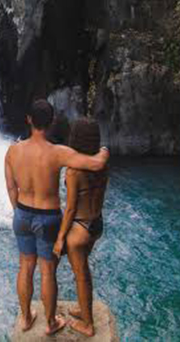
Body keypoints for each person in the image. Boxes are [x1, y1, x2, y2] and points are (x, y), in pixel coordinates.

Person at [4, 100, 110, 335]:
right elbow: (95, 163)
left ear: (29, 119)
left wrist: (18, 211)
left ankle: (26, 318)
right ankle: (51, 322)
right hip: (48, 216)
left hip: (21, 212)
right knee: (47, 271)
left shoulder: (13, 150)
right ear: (51, 123)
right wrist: (104, 150)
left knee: (25, 266)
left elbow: (11, 187)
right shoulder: (58, 153)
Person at [53, 117, 109, 337]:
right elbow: (104, 151)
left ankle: (87, 324)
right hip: (96, 223)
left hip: (79, 226)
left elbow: (70, 209)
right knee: (83, 272)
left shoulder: (74, 171)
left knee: (81, 275)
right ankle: (82, 308)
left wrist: (60, 238)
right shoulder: (103, 161)